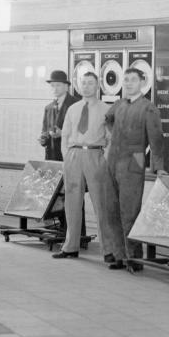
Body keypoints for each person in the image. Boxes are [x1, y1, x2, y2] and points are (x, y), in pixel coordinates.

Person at [101, 67, 165, 272]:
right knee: (111, 210)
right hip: (113, 159)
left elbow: (156, 140)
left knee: (129, 211)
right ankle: (119, 256)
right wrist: (112, 137)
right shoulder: (119, 104)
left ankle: (134, 258)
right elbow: (107, 119)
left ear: (142, 83)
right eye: (125, 80)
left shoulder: (149, 108)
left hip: (134, 160)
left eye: (133, 80)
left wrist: (159, 167)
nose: (128, 83)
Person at [52, 71, 109, 260]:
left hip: (95, 154)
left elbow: (111, 138)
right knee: (72, 203)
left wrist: (105, 160)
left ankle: (108, 249)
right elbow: (65, 135)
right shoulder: (73, 108)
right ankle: (70, 246)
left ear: (97, 85)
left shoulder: (106, 109)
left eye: (90, 83)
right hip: (74, 155)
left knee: (101, 203)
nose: (86, 86)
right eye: (83, 83)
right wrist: (67, 157)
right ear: (78, 85)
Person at [39, 70, 80, 162]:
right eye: (52, 86)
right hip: (52, 157)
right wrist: (43, 140)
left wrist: (63, 134)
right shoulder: (48, 108)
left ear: (66, 87)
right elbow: (45, 131)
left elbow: (83, 133)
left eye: (58, 85)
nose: (55, 89)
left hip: (71, 156)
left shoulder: (77, 105)